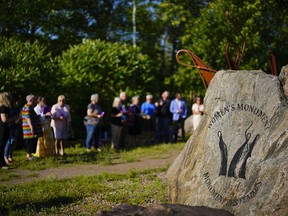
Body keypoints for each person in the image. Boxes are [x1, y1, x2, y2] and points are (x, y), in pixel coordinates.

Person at [0, 92, 19, 168]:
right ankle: (1, 164)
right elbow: (4, 119)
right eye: (7, 97)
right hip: (3, 128)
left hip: (3, 128)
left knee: (2, 145)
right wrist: (14, 118)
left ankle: (2, 163)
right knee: (1, 146)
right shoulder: (3, 107)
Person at [22, 94, 43, 161]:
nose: (36, 101)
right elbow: (28, 118)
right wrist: (31, 128)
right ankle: (28, 156)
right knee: (30, 142)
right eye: (34, 99)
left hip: (31, 129)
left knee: (32, 141)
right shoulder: (27, 107)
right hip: (29, 129)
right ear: (31, 100)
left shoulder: (29, 107)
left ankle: (30, 155)